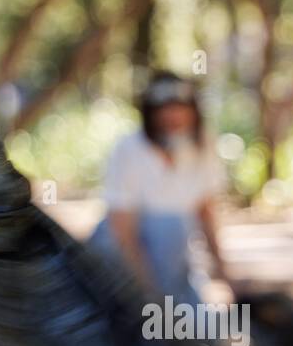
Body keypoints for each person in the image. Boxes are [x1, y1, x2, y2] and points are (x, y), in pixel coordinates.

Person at [86, 72, 233, 307]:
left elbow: (206, 212)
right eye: (163, 109)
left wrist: (224, 274)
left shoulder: (203, 148)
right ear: (150, 114)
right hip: (125, 263)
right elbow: (123, 233)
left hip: (175, 266)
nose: (172, 116)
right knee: (170, 226)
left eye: (180, 108)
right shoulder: (128, 150)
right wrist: (149, 297)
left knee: (205, 330)